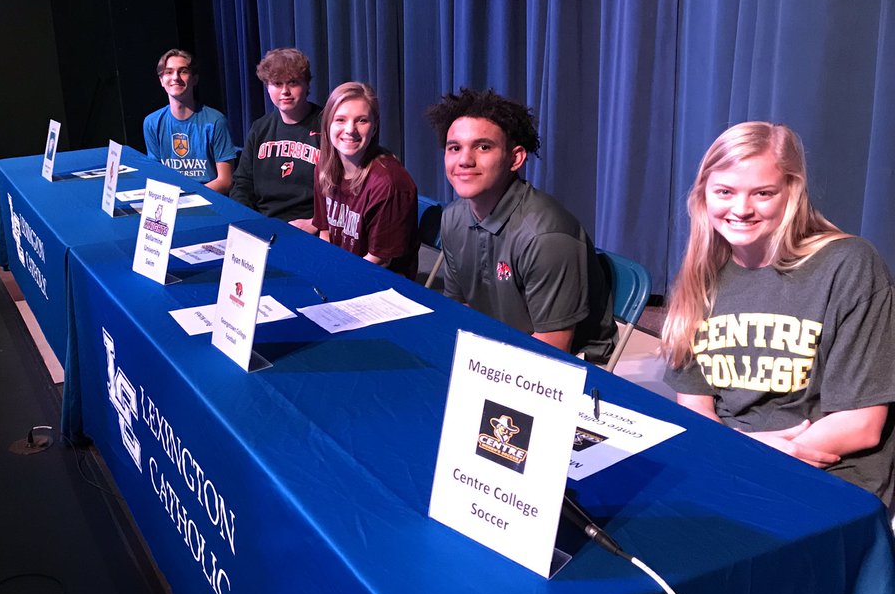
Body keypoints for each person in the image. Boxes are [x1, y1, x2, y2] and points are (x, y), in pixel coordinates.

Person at [661, 122, 895, 513]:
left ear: (793, 191)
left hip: (825, 471)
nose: (741, 209)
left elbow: (861, 424)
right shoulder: (701, 276)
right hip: (733, 459)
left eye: (763, 193)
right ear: (704, 195)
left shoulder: (849, 265)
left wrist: (751, 456)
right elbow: (695, 407)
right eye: (725, 192)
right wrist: (740, 453)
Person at [424, 88, 616, 362]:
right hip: (495, 347)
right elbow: (460, 309)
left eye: (483, 147)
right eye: (455, 148)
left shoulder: (546, 237)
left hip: (564, 368)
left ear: (515, 158)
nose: (465, 160)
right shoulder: (453, 218)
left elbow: (551, 351)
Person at [311, 82, 419, 278]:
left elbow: (378, 260)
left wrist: (335, 279)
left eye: (362, 120)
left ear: (374, 126)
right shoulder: (324, 168)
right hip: (341, 272)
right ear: (328, 124)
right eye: (340, 120)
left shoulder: (389, 183)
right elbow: (325, 232)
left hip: (380, 282)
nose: (350, 129)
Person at [231, 48, 321, 233]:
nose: (285, 91)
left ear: (307, 85)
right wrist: (247, 221)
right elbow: (242, 183)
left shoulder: (328, 126)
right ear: (267, 87)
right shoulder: (260, 128)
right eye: (277, 84)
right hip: (263, 223)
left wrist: (316, 223)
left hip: (309, 227)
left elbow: (344, 193)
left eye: (293, 82)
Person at [142, 49, 235, 193]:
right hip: (170, 200)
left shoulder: (215, 121)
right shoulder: (152, 122)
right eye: (168, 72)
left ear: (194, 79)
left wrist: (188, 197)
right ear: (161, 80)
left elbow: (225, 181)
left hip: (208, 199)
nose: (175, 77)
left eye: (183, 71)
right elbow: (156, 176)